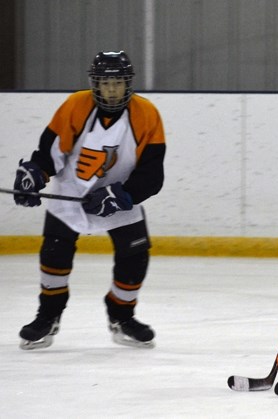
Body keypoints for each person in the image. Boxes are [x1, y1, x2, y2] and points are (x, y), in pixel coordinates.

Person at [13, 51, 166, 350]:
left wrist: (123, 195)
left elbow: (152, 174)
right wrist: (35, 174)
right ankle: (48, 315)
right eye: (105, 83)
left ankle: (122, 316)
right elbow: (49, 153)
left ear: (128, 84)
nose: (111, 89)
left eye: (118, 82)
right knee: (55, 254)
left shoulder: (147, 114)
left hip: (119, 197)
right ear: (94, 84)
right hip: (70, 193)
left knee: (135, 256)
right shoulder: (75, 105)